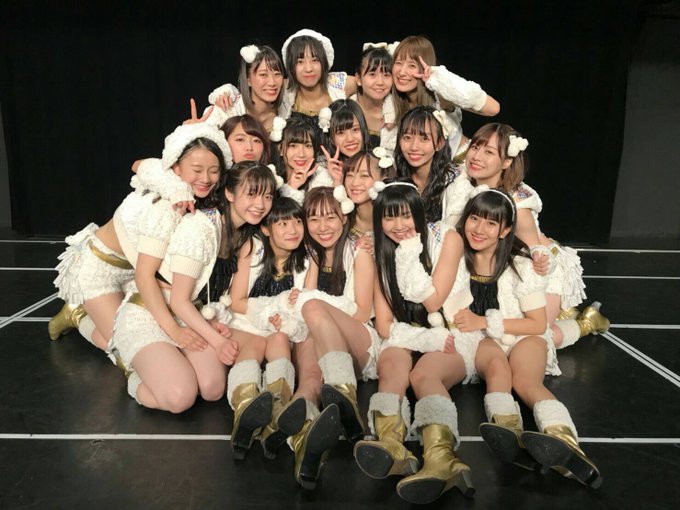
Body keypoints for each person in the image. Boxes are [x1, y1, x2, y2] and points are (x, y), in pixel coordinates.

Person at [451, 189, 601, 488]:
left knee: (526, 382)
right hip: (484, 339)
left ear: (505, 230)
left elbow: (536, 323)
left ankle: (564, 441)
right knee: (497, 372)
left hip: (523, 334)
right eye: (475, 219)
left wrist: (484, 320)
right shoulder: (456, 261)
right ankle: (509, 433)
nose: (479, 229)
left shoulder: (521, 265)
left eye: (491, 223)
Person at [113, 156, 277, 414]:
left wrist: (210, 322)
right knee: (181, 397)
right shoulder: (201, 228)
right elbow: (179, 301)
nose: (260, 204)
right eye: (252, 194)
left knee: (212, 389)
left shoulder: (239, 234)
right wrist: (217, 342)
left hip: (186, 315)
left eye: (267, 197)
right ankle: (137, 378)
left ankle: (168, 367)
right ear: (229, 193)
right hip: (150, 312)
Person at [49, 123, 227, 357]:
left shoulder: (184, 193)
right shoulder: (166, 205)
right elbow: (145, 275)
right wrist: (174, 330)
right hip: (99, 269)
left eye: (214, 171)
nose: (206, 178)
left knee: (154, 338)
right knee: (124, 349)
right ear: (175, 168)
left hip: (133, 270)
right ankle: (77, 315)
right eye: (197, 169)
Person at [354, 181, 478, 505]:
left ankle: (442, 458)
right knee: (391, 367)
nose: (399, 226)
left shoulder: (446, 238)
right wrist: (420, 338)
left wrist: (409, 252)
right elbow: (384, 324)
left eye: (406, 215)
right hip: (406, 332)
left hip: (451, 332)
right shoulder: (380, 250)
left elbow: (433, 301)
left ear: (420, 214)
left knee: (423, 376)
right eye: (389, 217)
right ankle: (391, 444)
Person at [463, 123, 609, 348]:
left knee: (536, 340)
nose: (477, 156)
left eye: (489, 152)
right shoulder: (463, 184)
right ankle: (563, 312)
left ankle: (587, 322)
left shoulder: (516, 205)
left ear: (507, 162)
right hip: (505, 266)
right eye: (475, 147)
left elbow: (536, 252)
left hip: (541, 268)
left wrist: (541, 268)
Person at [225, 197, 309, 459]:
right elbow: (237, 301)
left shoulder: (307, 257)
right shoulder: (252, 248)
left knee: (280, 340)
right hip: (246, 321)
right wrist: (271, 311)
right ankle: (245, 408)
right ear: (265, 228)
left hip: (281, 327)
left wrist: (282, 317)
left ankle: (275, 409)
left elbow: (305, 302)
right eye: (282, 224)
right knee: (256, 344)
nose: (292, 230)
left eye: (297, 222)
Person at [391, 35, 500, 155]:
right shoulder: (392, 103)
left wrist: (442, 80)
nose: (402, 72)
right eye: (398, 63)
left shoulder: (440, 96)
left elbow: (493, 108)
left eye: (412, 65)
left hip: (461, 162)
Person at [395, 106, 476, 225]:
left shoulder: (456, 183)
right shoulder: (394, 174)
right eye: (407, 137)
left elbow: (449, 231)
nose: (414, 147)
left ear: (440, 143)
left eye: (424, 138)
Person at [279, 29, 357, 127]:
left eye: (315, 60)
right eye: (300, 62)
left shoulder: (340, 85)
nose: (308, 68)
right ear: (291, 66)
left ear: (324, 62)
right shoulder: (282, 89)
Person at [206, 44, 286, 136]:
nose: (272, 82)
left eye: (277, 74)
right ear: (248, 79)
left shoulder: (287, 110)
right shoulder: (226, 112)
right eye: (263, 74)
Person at [350, 43, 398, 152]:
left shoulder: (397, 112)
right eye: (372, 74)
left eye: (386, 75)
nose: (380, 82)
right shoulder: (345, 109)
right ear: (358, 79)